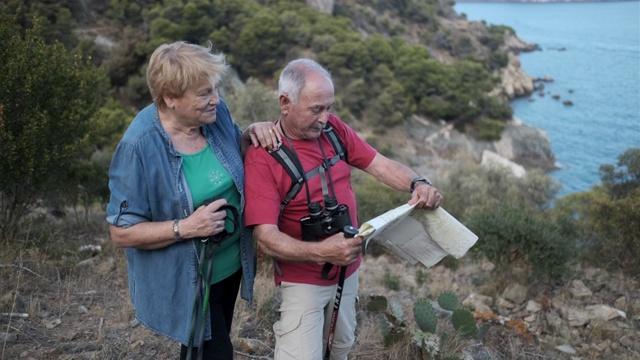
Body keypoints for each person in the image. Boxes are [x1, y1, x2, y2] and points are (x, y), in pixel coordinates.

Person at [244, 58, 444, 360]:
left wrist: (417, 183)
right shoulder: (264, 157)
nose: (325, 118)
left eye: (329, 107)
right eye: (316, 110)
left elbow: (379, 165)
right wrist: (322, 252)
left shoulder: (333, 130)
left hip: (348, 271)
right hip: (303, 282)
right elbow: (266, 237)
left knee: (341, 348)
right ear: (285, 102)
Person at [106, 41, 281, 360]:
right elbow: (121, 233)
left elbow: (233, 160)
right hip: (190, 279)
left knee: (204, 349)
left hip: (230, 267)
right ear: (170, 98)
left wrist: (250, 134)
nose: (215, 99)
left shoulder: (215, 114)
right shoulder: (138, 147)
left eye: (215, 89)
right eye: (204, 94)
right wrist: (185, 227)